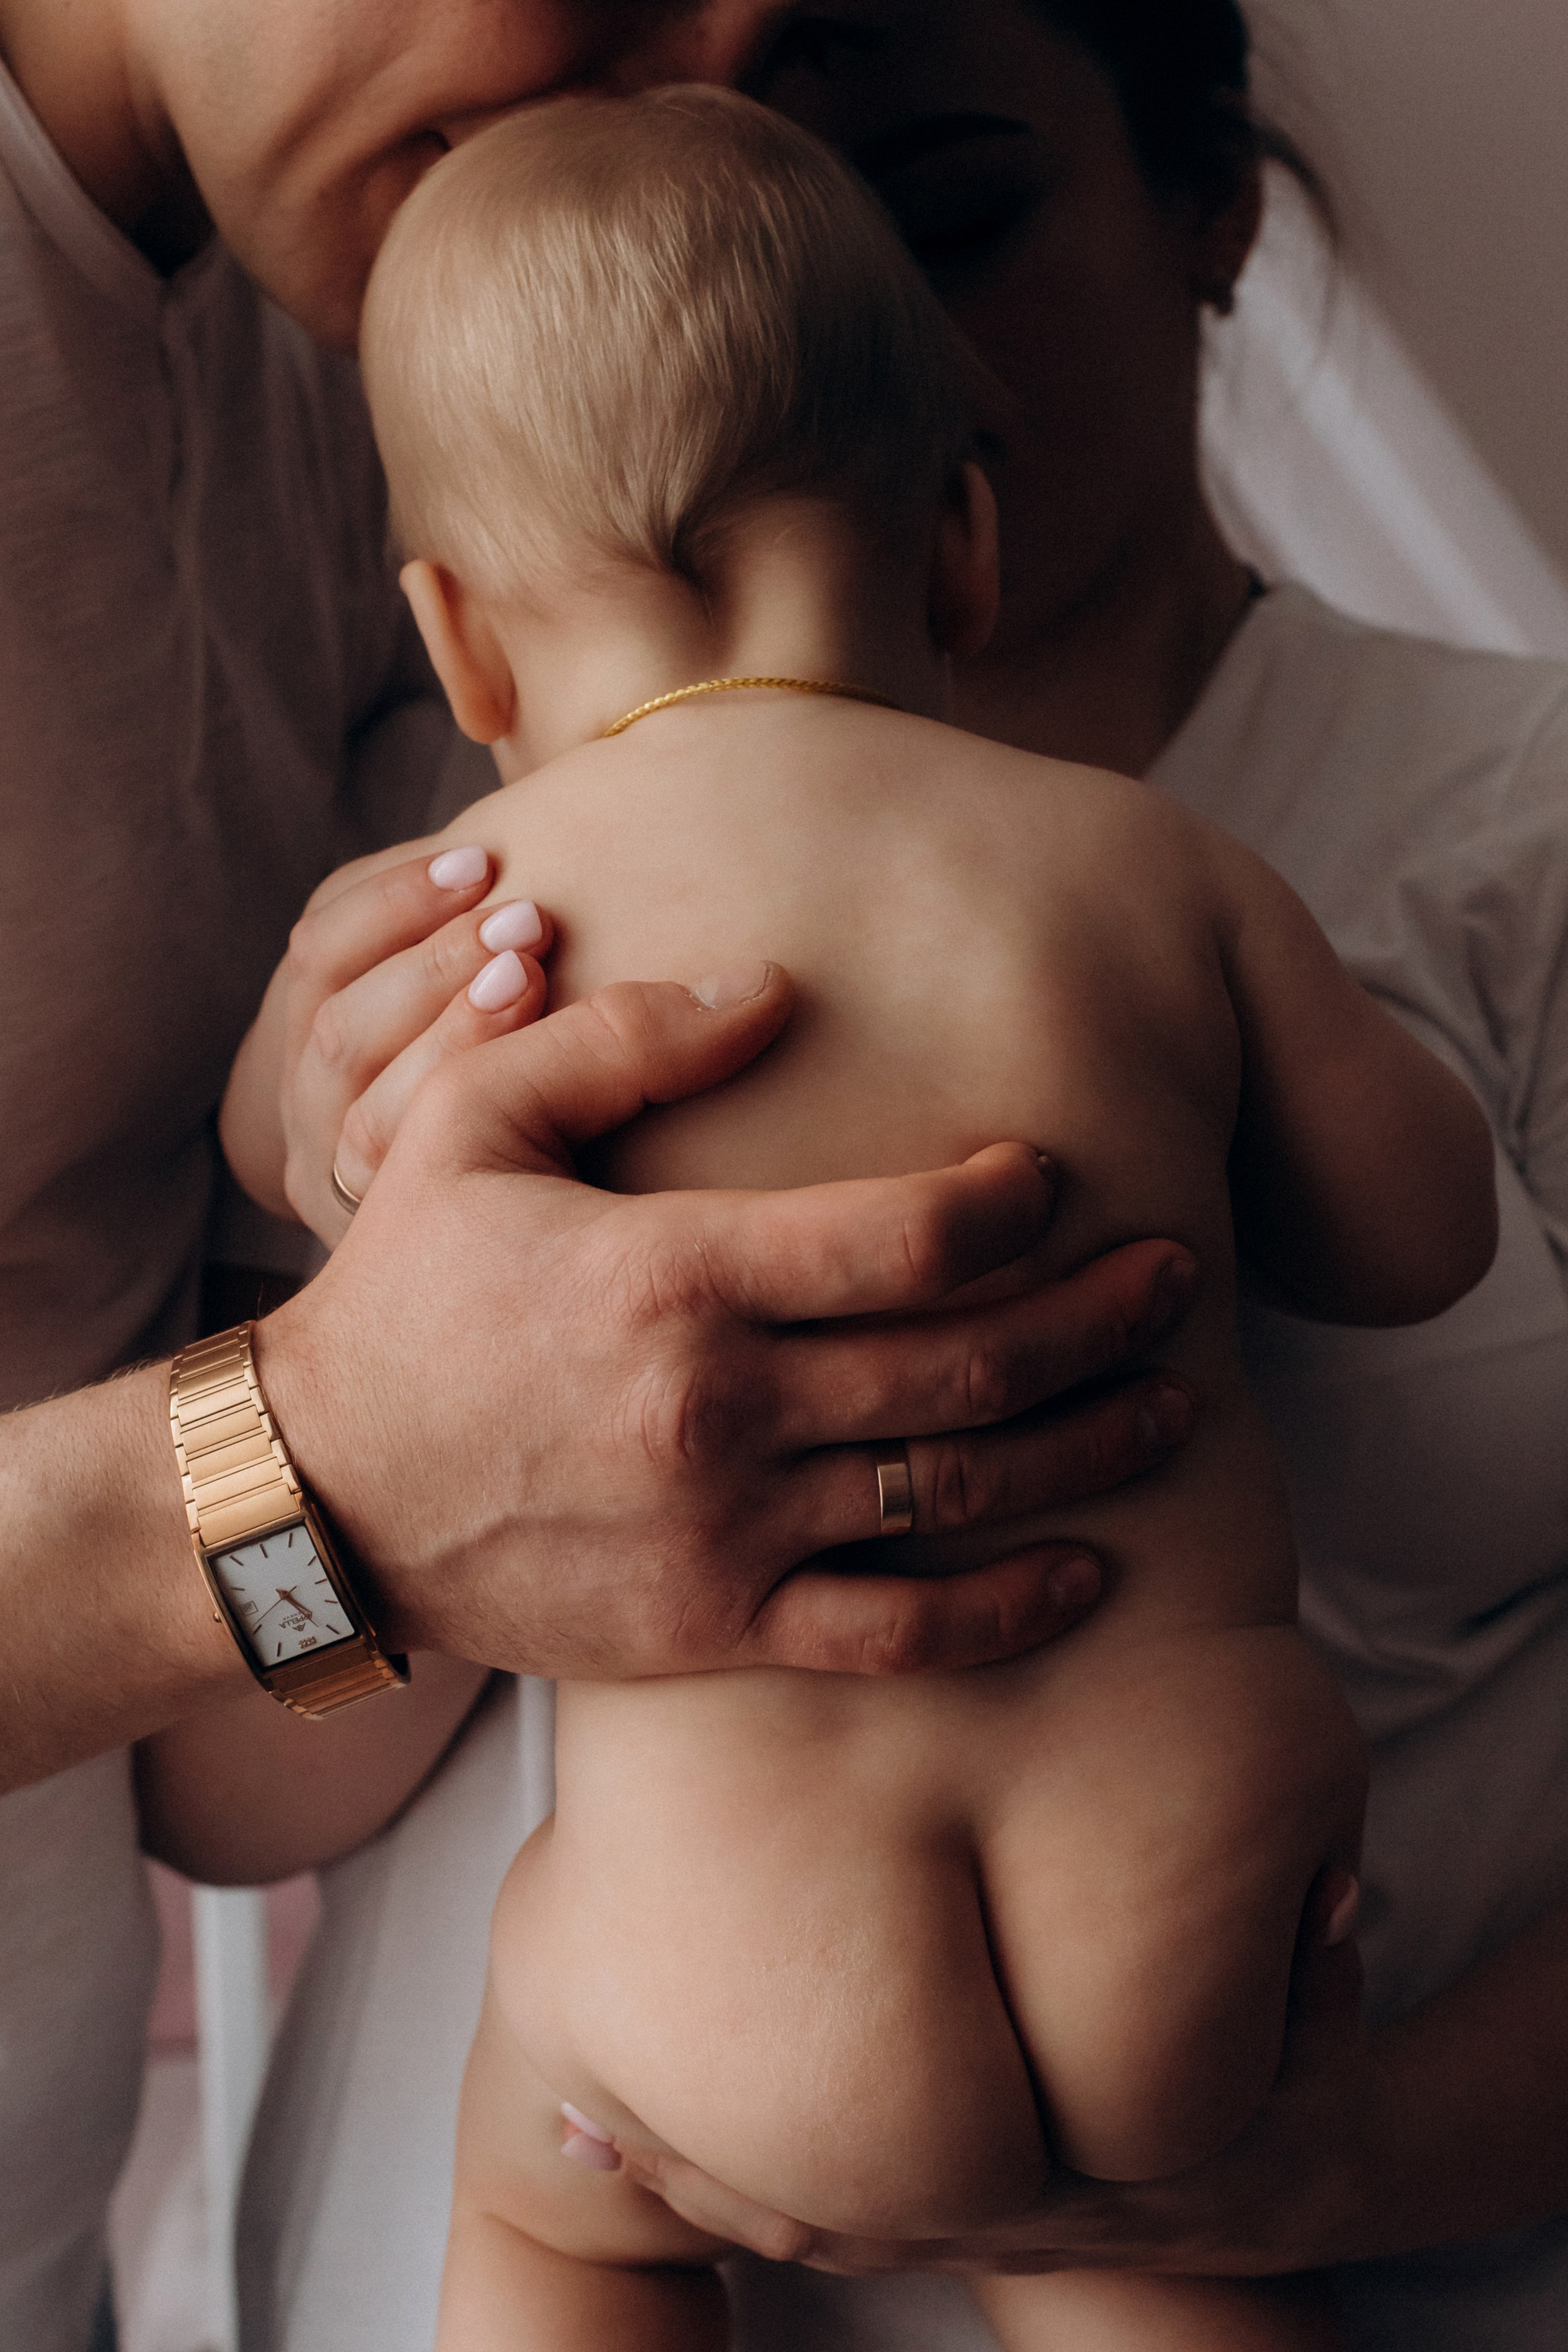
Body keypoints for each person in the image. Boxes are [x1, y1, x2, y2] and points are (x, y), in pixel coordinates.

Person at [230, 7, 1568, 2352]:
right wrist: (303, 1429)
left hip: (724, 1995)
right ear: (945, 523)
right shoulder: (1161, 880)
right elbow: (1418, 1227)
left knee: (551, 2193)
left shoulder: (467, 934)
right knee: (1142, 2249)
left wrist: (313, 1159)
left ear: (456, 633)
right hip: (1196, 1921)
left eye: (959, 204)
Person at [0, 4, 1208, 2347]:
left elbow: (223, 1772)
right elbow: (282, 1500)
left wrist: (521, 1439)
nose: (663, 99)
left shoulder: (389, 390)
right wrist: (326, 1469)